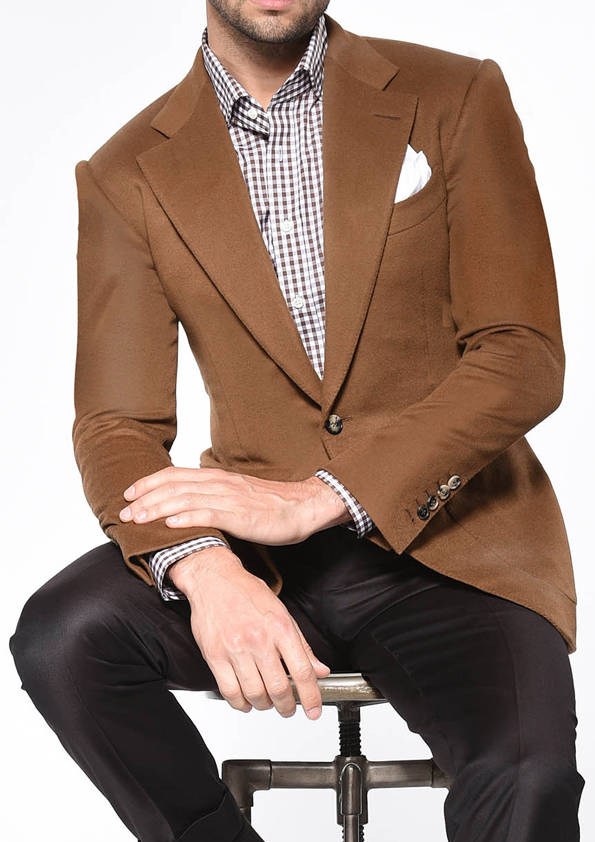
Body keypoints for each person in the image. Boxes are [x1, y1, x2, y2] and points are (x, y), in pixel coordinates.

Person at [9, 2, 585, 840]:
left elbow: (520, 353)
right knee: (64, 639)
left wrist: (322, 496)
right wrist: (204, 568)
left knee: (527, 775)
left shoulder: (452, 93)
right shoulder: (124, 171)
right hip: (264, 564)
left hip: (455, 551)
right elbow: (116, 424)